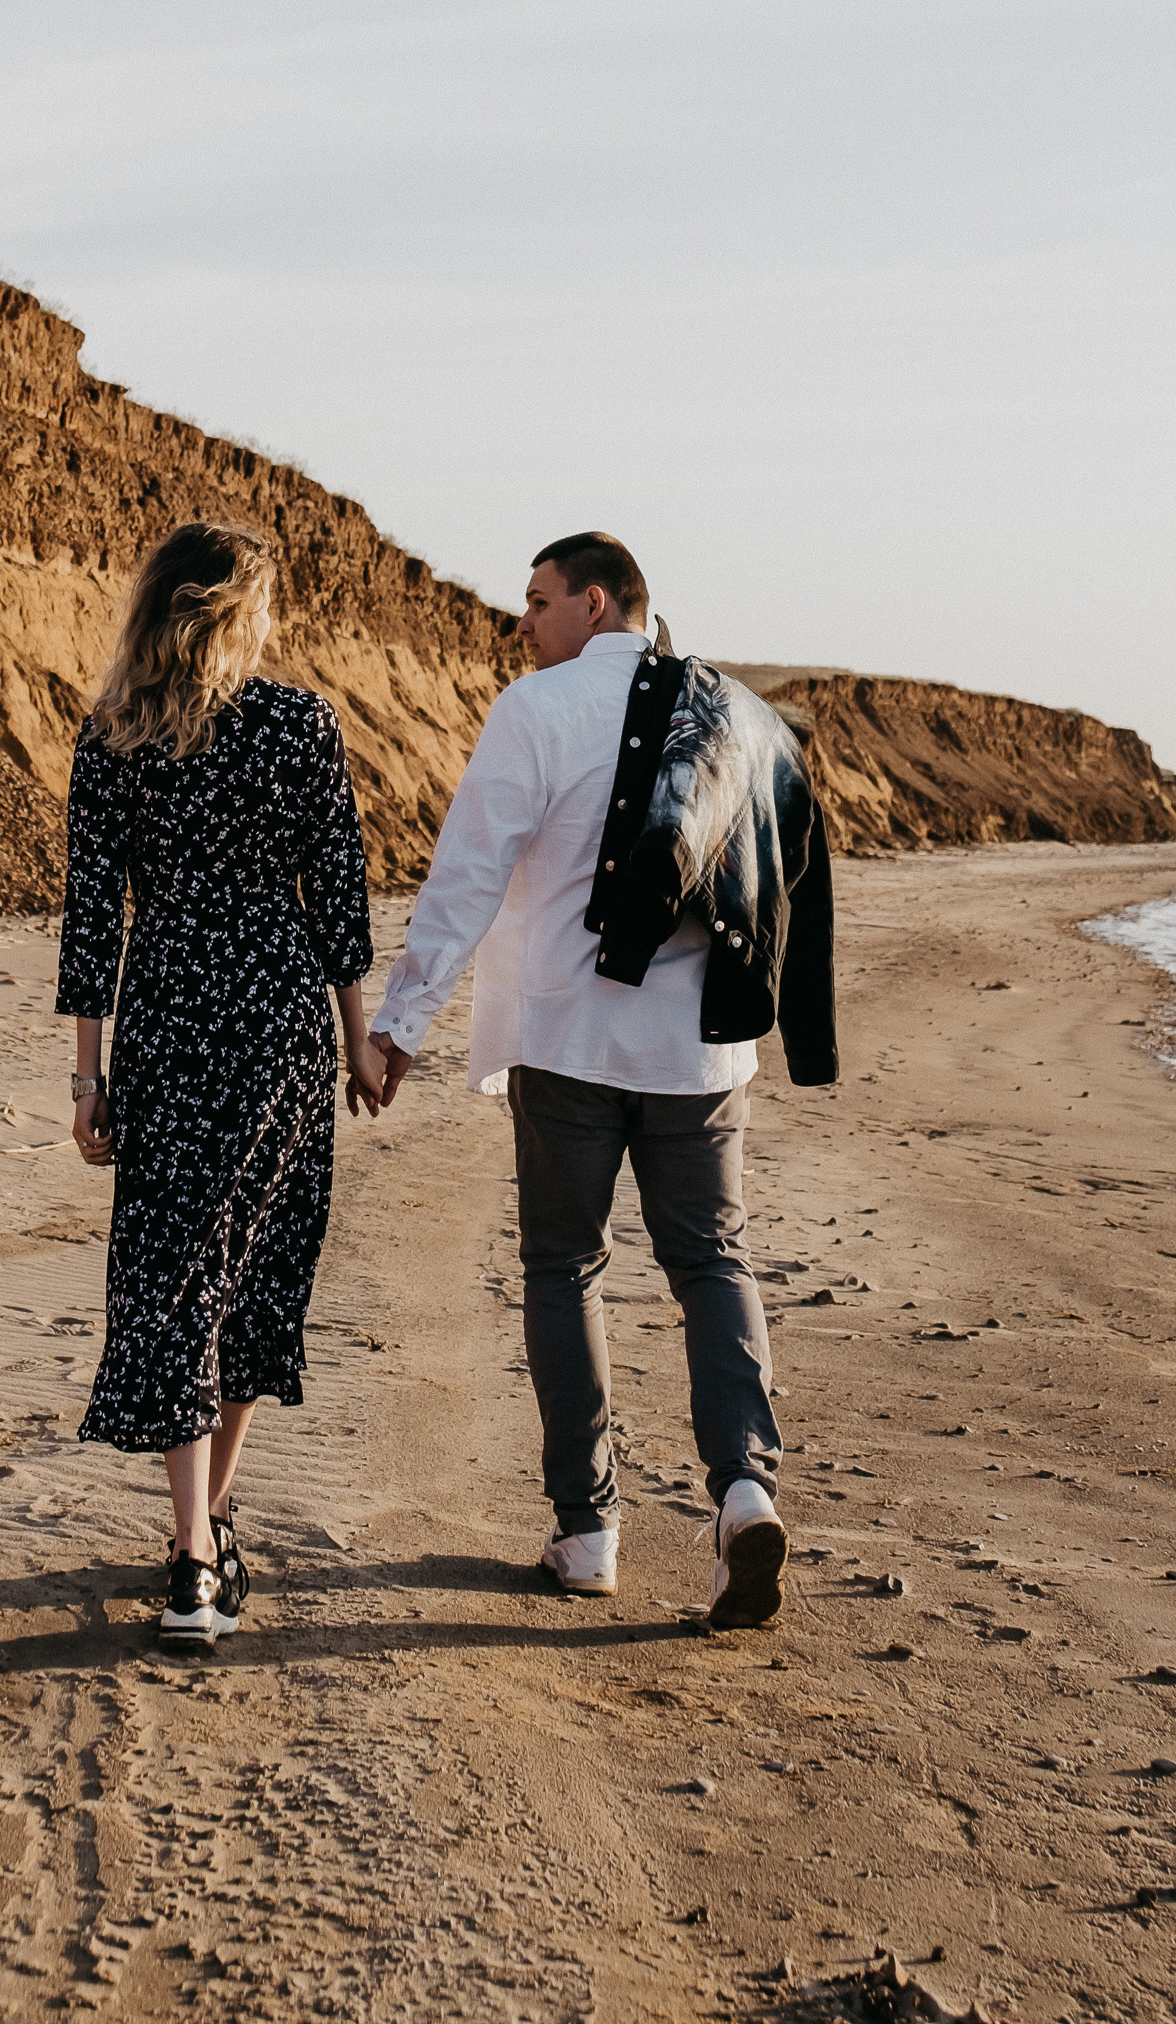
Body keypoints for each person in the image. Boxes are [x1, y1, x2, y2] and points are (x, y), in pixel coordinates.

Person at [370, 530, 835, 1628]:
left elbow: (469, 869)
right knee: (711, 1261)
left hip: (567, 1039)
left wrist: (399, 1021)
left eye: (533, 601)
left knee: (562, 1266)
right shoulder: (734, 712)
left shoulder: (538, 709)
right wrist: (800, 1039)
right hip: (698, 1055)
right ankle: (742, 1490)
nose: (519, 623)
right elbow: (791, 878)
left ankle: (585, 1532)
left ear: (593, 601)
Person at [58, 520, 387, 1650]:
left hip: (170, 1020)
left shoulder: (112, 735)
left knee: (176, 1267)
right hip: (278, 1019)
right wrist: (357, 1040)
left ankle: (198, 1535)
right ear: (238, 610)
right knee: (248, 1266)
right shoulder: (298, 722)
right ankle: (200, 1541)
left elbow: (92, 920)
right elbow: (337, 893)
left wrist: (86, 1076)